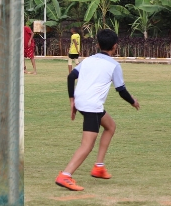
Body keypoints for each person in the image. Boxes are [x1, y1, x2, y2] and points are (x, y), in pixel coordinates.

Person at [56, 29, 140, 191]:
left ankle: (98, 167)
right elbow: (121, 90)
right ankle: (66, 175)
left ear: (98, 44)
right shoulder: (114, 65)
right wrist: (133, 102)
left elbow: (71, 77)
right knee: (87, 145)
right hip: (91, 105)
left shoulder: (88, 60)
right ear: (115, 46)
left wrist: (72, 99)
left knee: (110, 126)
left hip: (83, 101)